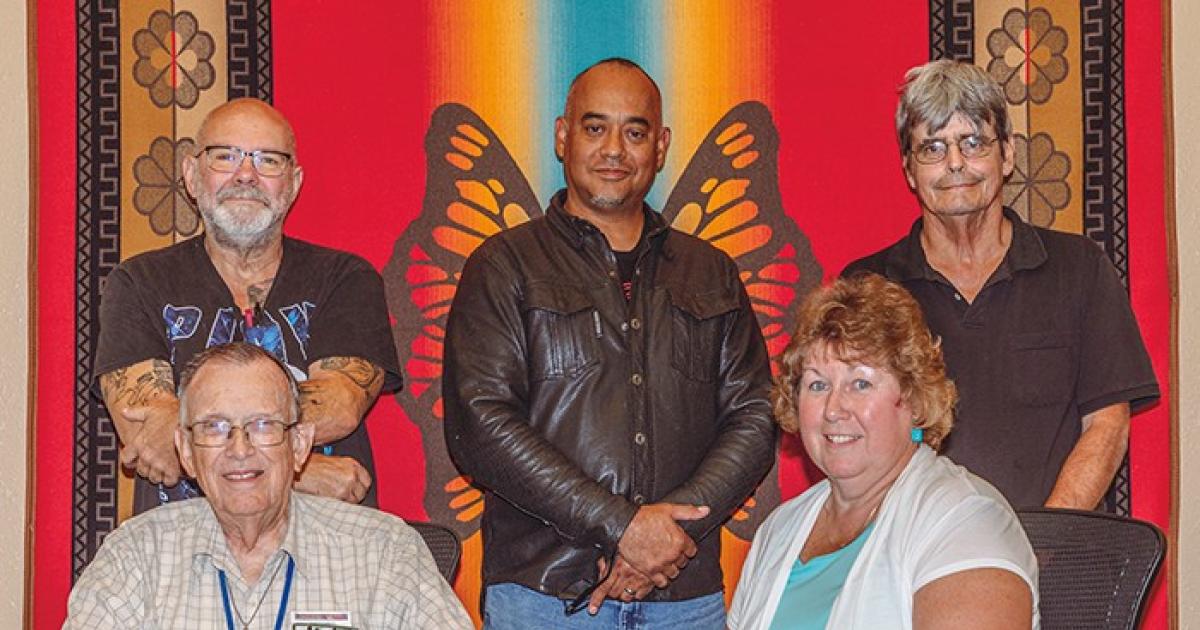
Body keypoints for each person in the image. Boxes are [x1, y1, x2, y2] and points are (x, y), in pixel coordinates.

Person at [442, 58, 777, 628]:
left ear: (661, 145)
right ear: (562, 136)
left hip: (684, 597)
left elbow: (755, 416)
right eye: (595, 127)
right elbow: (481, 426)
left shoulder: (711, 271)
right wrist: (622, 525)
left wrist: (667, 539)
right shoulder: (504, 266)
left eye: (635, 131)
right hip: (544, 600)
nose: (614, 150)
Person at [843, 60, 1159, 509]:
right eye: (932, 148)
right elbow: (850, 435)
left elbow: (1107, 425)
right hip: (915, 563)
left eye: (973, 143)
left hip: (1053, 558)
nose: (955, 164)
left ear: (1007, 154)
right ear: (909, 171)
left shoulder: (1080, 269)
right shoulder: (867, 289)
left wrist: (1039, 549)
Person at [95, 98, 401, 513]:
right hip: (180, 553)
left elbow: (339, 407)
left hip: (327, 553)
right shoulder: (137, 284)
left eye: (267, 160)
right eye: (225, 156)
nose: (245, 175)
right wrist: (299, 476)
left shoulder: (346, 279)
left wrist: (193, 429)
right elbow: (149, 435)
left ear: (293, 182)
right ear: (191, 174)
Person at [66, 343, 472, 628]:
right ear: (186, 452)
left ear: (299, 445)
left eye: (263, 425)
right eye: (215, 427)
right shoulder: (135, 557)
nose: (239, 449)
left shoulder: (385, 552)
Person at [728, 274, 1039, 629]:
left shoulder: (966, 520)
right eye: (817, 384)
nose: (833, 408)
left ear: (915, 399)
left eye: (860, 383)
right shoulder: (779, 530)